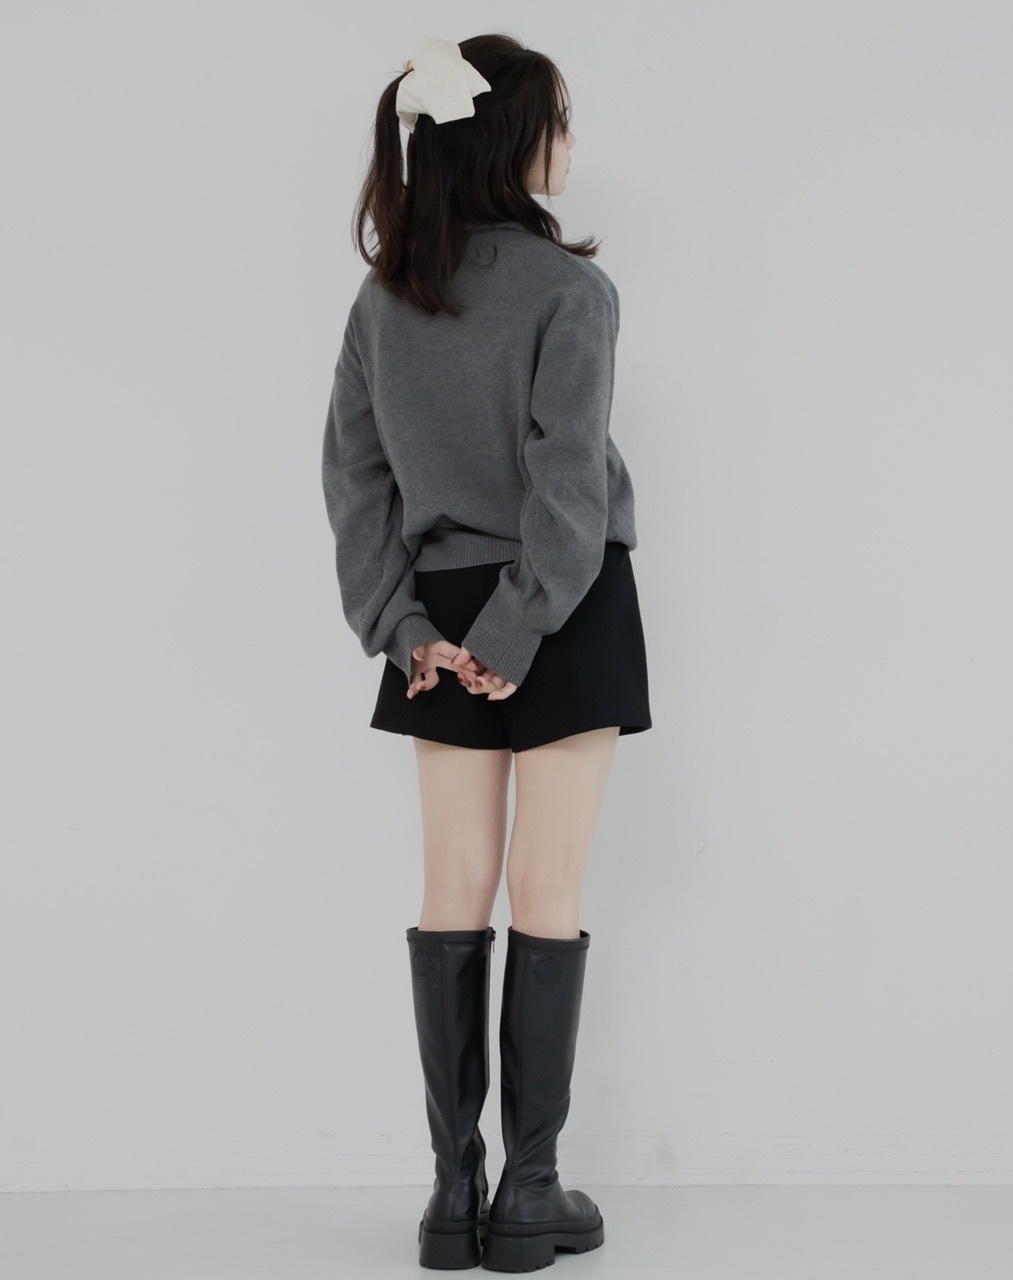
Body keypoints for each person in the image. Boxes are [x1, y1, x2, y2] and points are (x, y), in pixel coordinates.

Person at [321, 33, 652, 1272]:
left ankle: (451, 1194)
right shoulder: (571, 292)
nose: (568, 140)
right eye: (555, 119)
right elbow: (566, 490)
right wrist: (515, 632)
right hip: (560, 605)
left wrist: (407, 629)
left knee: (451, 883)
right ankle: (531, 1192)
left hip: (439, 618)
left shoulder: (382, 299)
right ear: (510, 139)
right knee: (545, 887)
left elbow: (354, 484)